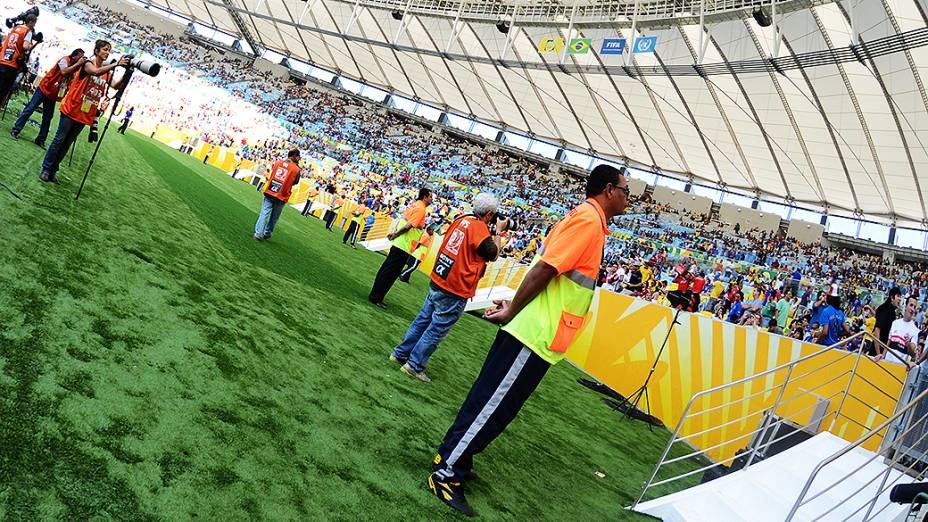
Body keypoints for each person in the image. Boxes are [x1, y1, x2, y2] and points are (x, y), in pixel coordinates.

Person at [427, 165, 629, 516]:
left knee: (495, 406)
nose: (630, 198)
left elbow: (548, 271)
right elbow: (545, 269)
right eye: (626, 190)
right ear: (609, 190)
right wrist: (513, 310)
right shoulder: (588, 221)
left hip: (537, 333)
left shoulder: (589, 221)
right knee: (491, 406)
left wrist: (515, 305)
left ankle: (457, 455)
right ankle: (446, 471)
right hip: (532, 334)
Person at [390, 193, 507, 383]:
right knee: (436, 329)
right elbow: (493, 254)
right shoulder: (479, 228)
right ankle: (414, 365)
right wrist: (499, 232)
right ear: (489, 214)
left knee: (422, 320)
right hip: (456, 286)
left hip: (440, 277)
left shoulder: (462, 219)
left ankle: (400, 353)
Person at [40, 40, 129, 184]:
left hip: (84, 114)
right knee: (59, 140)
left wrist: (126, 74)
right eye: (105, 49)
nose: (107, 52)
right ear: (96, 51)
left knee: (67, 143)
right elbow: (94, 71)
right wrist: (116, 64)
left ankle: (53, 171)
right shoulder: (87, 63)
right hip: (71, 108)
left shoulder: (106, 72)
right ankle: (46, 168)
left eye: (109, 50)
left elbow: (115, 86)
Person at [369, 188, 433, 309]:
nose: (432, 199)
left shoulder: (414, 205)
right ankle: (376, 297)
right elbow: (409, 226)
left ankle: (376, 294)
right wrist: (395, 234)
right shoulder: (421, 209)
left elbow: (402, 221)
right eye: (430, 197)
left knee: (386, 270)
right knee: (390, 273)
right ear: (424, 197)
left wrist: (394, 233)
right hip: (404, 245)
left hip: (400, 243)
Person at [11, 48, 85, 148]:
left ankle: (40, 139)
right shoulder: (65, 60)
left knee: (47, 118)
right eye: (80, 57)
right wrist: (78, 65)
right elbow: (63, 72)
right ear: (74, 56)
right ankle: (16, 130)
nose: (81, 60)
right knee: (29, 109)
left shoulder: (76, 68)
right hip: (44, 88)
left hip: (53, 94)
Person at [253, 149, 301, 241]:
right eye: (298, 157)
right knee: (274, 217)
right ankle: (267, 233)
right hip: (282, 195)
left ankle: (258, 234)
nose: (299, 159)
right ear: (294, 156)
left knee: (264, 213)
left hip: (270, 191)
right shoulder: (296, 169)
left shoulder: (278, 163)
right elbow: (296, 182)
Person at [0, 13, 38, 104]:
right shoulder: (27, 31)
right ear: (31, 22)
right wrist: (32, 44)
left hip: (2, 60)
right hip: (12, 64)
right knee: (2, 92)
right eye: (34, 23)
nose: (34, 25)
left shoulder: (15, 28)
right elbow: (25, 46)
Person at [881, 295, 921, 367]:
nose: (912, 309)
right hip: (886, 363)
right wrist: (882, 357)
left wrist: (908, 344)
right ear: (906, 306)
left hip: (900, 367)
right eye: (911, 305)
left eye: (914, 307)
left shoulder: (915, 330)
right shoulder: (895, 323)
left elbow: (912, 353)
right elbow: (888, 343)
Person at [872, 287, 902, 357]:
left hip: (883, 352)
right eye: (898, 296)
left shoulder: (891, 311)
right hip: (877, 353)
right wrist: (878, 353)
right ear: (892, 297)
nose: (900, 299)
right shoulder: (886, 310)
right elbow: (877, 330)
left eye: (900, 297)